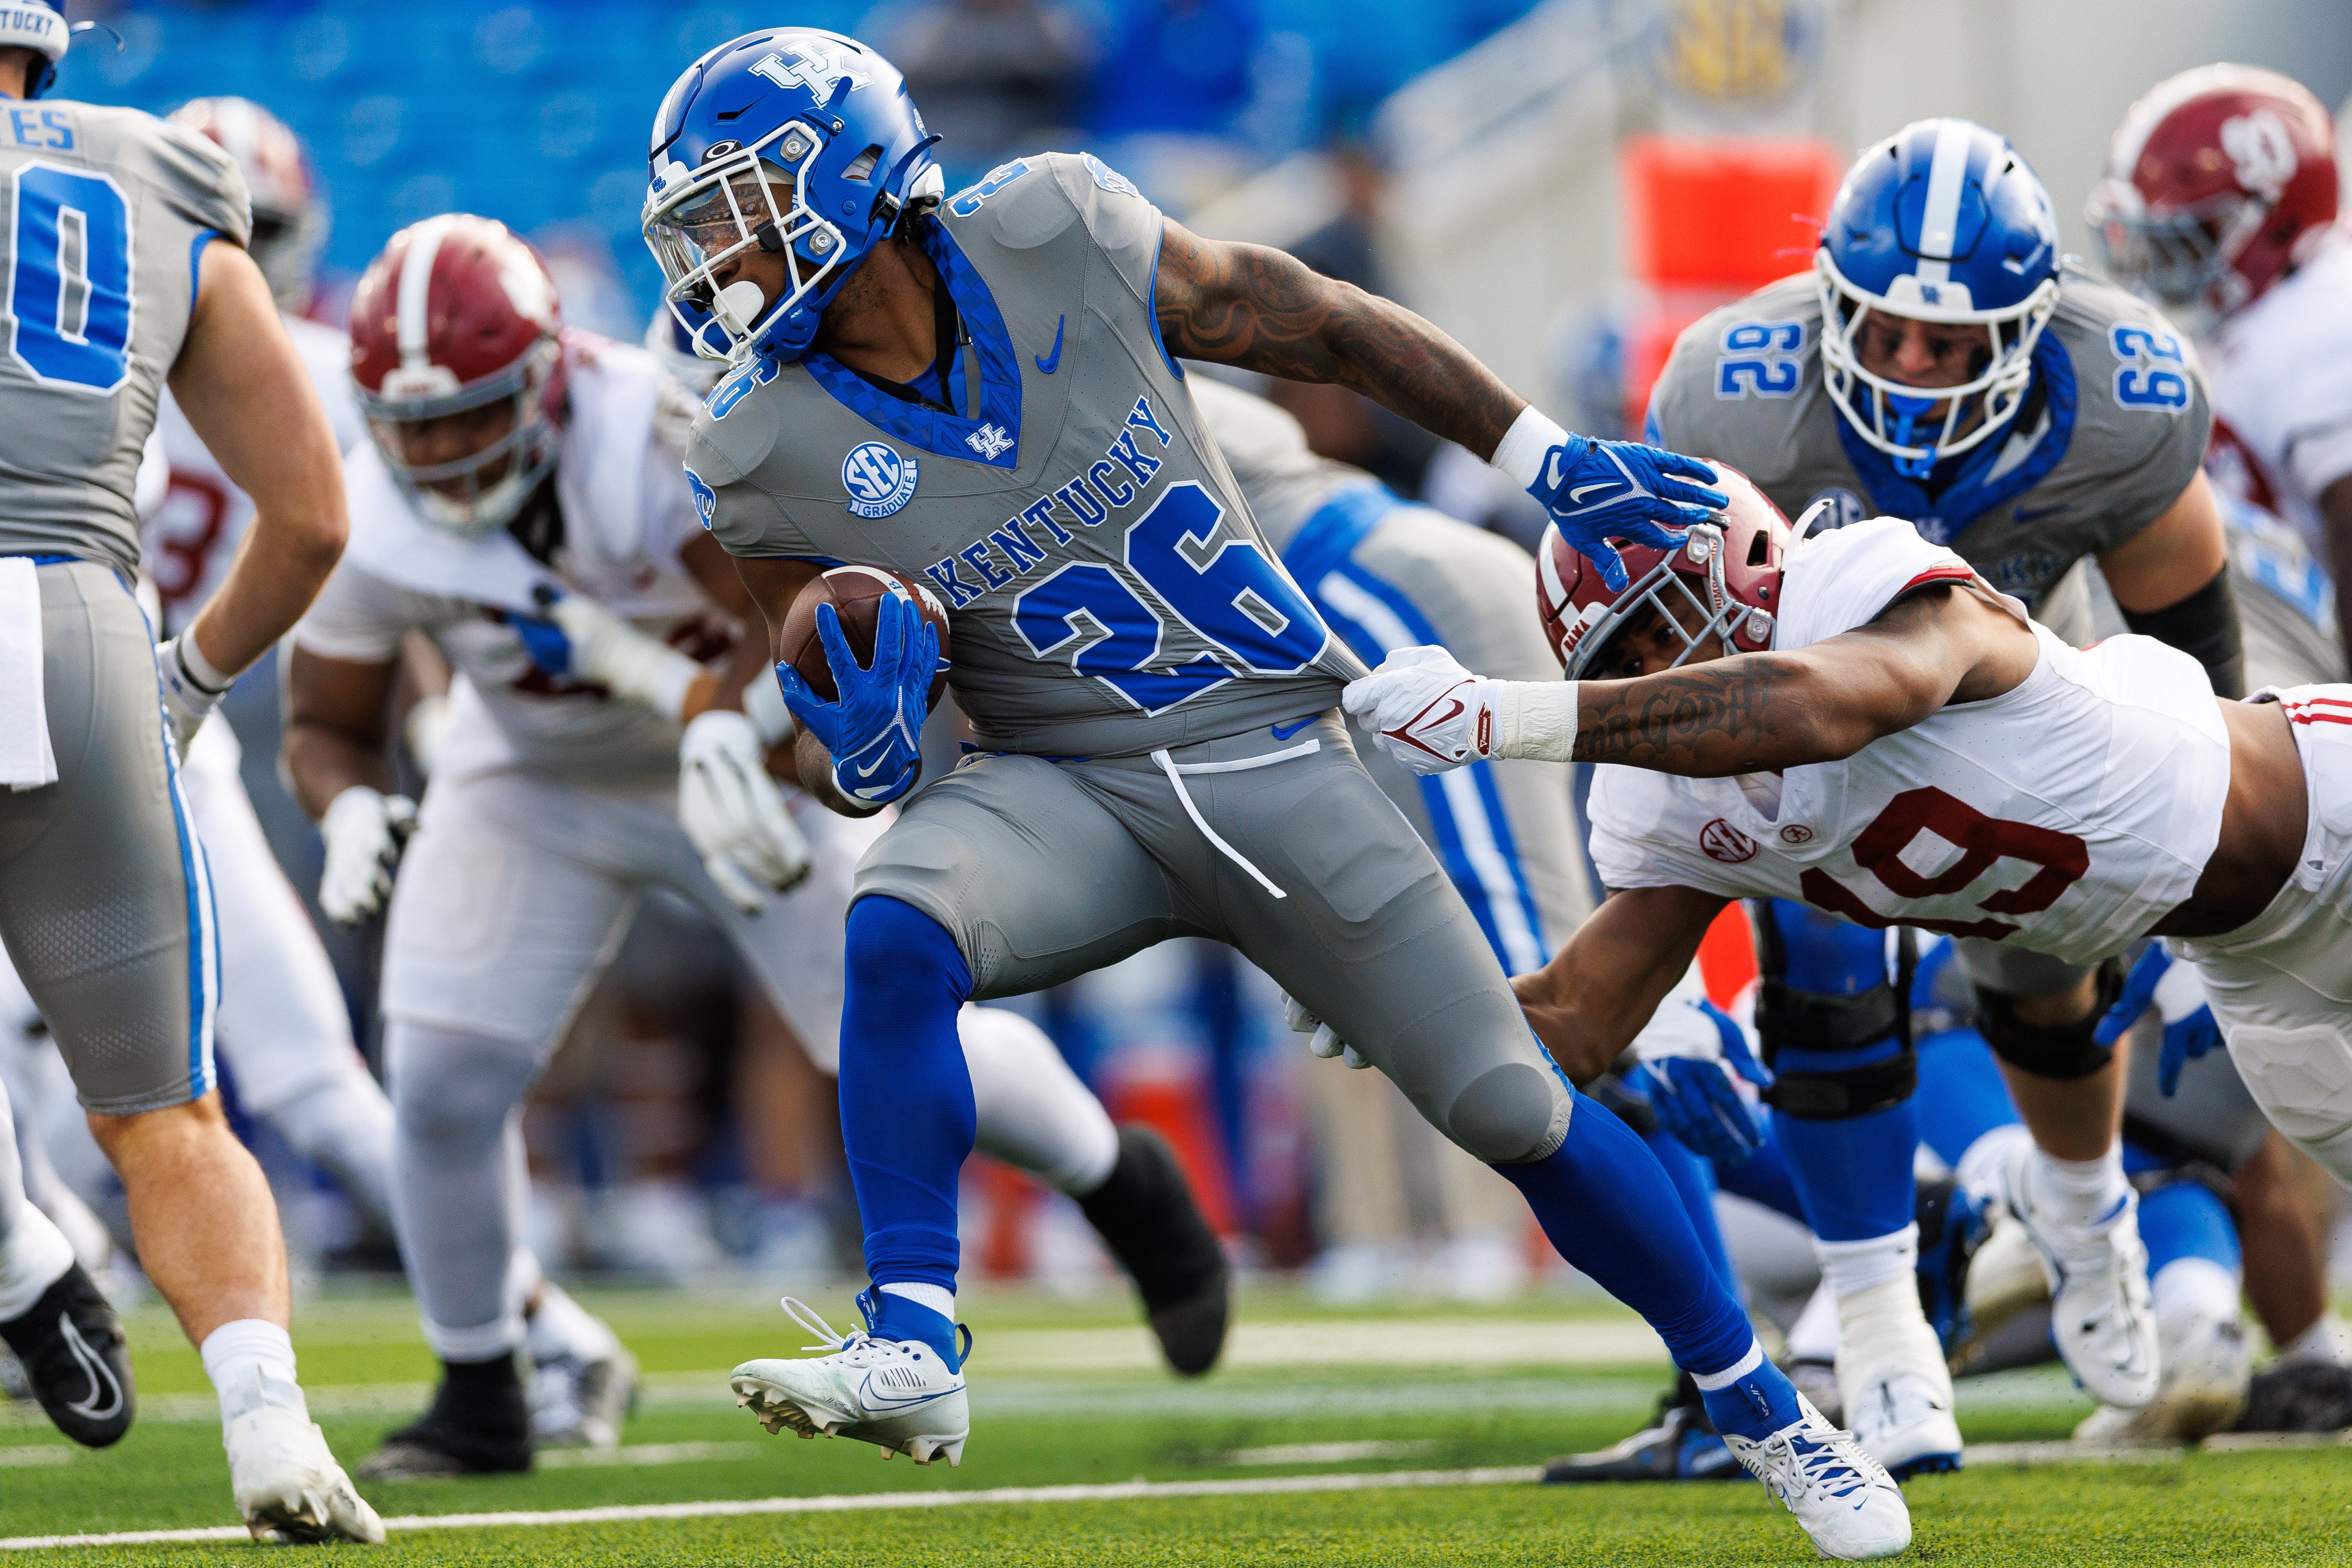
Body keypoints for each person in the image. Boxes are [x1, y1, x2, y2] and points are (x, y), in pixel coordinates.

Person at [647, 29, 1909, 1559]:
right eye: (696, 223)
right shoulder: (758, 438)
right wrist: (851, 738)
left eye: (732, 206)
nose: (714, 254)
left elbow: (1318, 325)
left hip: (1274, 751)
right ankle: (912, 1332)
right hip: (1065, 784)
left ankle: (1763, 1407)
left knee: (1516, 1101)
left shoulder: (1058, 225)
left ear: (850, 177)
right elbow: (840, 700)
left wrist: (1542, 455)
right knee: (896, 923)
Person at [283, 214, 1227, 1481]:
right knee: (441, 1076)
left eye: (472, 414)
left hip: (742, 752)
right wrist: (345, 800)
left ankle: (1119, 1178)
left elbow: (790, 609)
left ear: (548, 380)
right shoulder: (376, 508)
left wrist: (732, 721)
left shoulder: (646, 438)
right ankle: (480, 1386)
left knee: (877, 1027)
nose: (444, 454)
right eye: (419, 426)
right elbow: (324, 718)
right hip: (529, 777)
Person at [1343, 470, 2352, 1428]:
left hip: (2321, 797)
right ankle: (2046, 1248)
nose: (1650, 671)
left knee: (1917, 990)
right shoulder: (1665, 799)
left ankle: (2074, 1244)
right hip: (2247, 963)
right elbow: (1578, 1016)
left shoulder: (1858, 588)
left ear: (1743, 564)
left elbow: (1814, 706)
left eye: (1662, 622)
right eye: (1616, 661)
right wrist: (1399, 1003)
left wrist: (1500, 716)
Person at [1620, 116, 2244, 1475]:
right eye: (1886, 330)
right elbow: (1666, 640)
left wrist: (2193, 887)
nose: (1909, 362)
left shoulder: (2117, 397)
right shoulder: (1730, 393)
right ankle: (1881, 1327)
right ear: (1833, 302)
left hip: (2037, 708)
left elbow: (2195, 655)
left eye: (1949, 343)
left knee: (2044, 976)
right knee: (1817, 944)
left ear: (2027, 330)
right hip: (1818, 714)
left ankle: (2084, 1222)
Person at [0, 5, 378, 1542]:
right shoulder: (159, 172)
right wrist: (191, 681)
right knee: (167, 1108)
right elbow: (311, 516)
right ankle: (272, 1424)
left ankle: (24, 1264)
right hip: (86, 620)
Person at [2089, 66, 2352, 673]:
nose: (2155, 269)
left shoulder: (2324, 323)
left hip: (2299, 653)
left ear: (2276, 220)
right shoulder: (2256, 314)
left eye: (2190, 239)